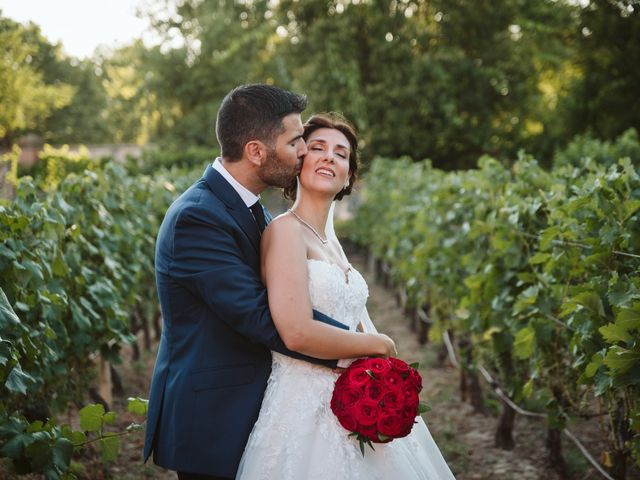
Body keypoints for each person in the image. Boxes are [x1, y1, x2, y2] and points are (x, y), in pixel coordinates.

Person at [143, 85, 396, 480]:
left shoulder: (250, 209)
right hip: (213, 417)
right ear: (257, 151)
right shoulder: (197, 218)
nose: (303, 150)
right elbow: (265, 317)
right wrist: (367, 348)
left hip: (259, 403)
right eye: (295, 141)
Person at [236, 113, 456, 479]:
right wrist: (377, 344)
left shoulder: (332, 242)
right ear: (298, 161)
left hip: (352, 397)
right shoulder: (285, 231)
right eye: (317, 148)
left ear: (349, 176)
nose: (328, 157)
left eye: (341, 154)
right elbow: (295, 331)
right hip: (303, 406)